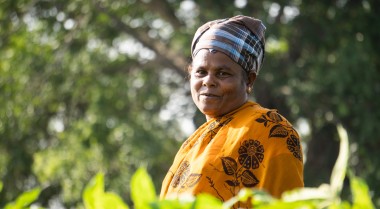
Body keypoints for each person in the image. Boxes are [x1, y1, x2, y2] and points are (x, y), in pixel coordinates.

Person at [160, 15, 304, 207]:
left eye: (223, 73)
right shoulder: (194, 144)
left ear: (249, 80)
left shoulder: (270, 129)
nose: (208, 81)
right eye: (201, 72)